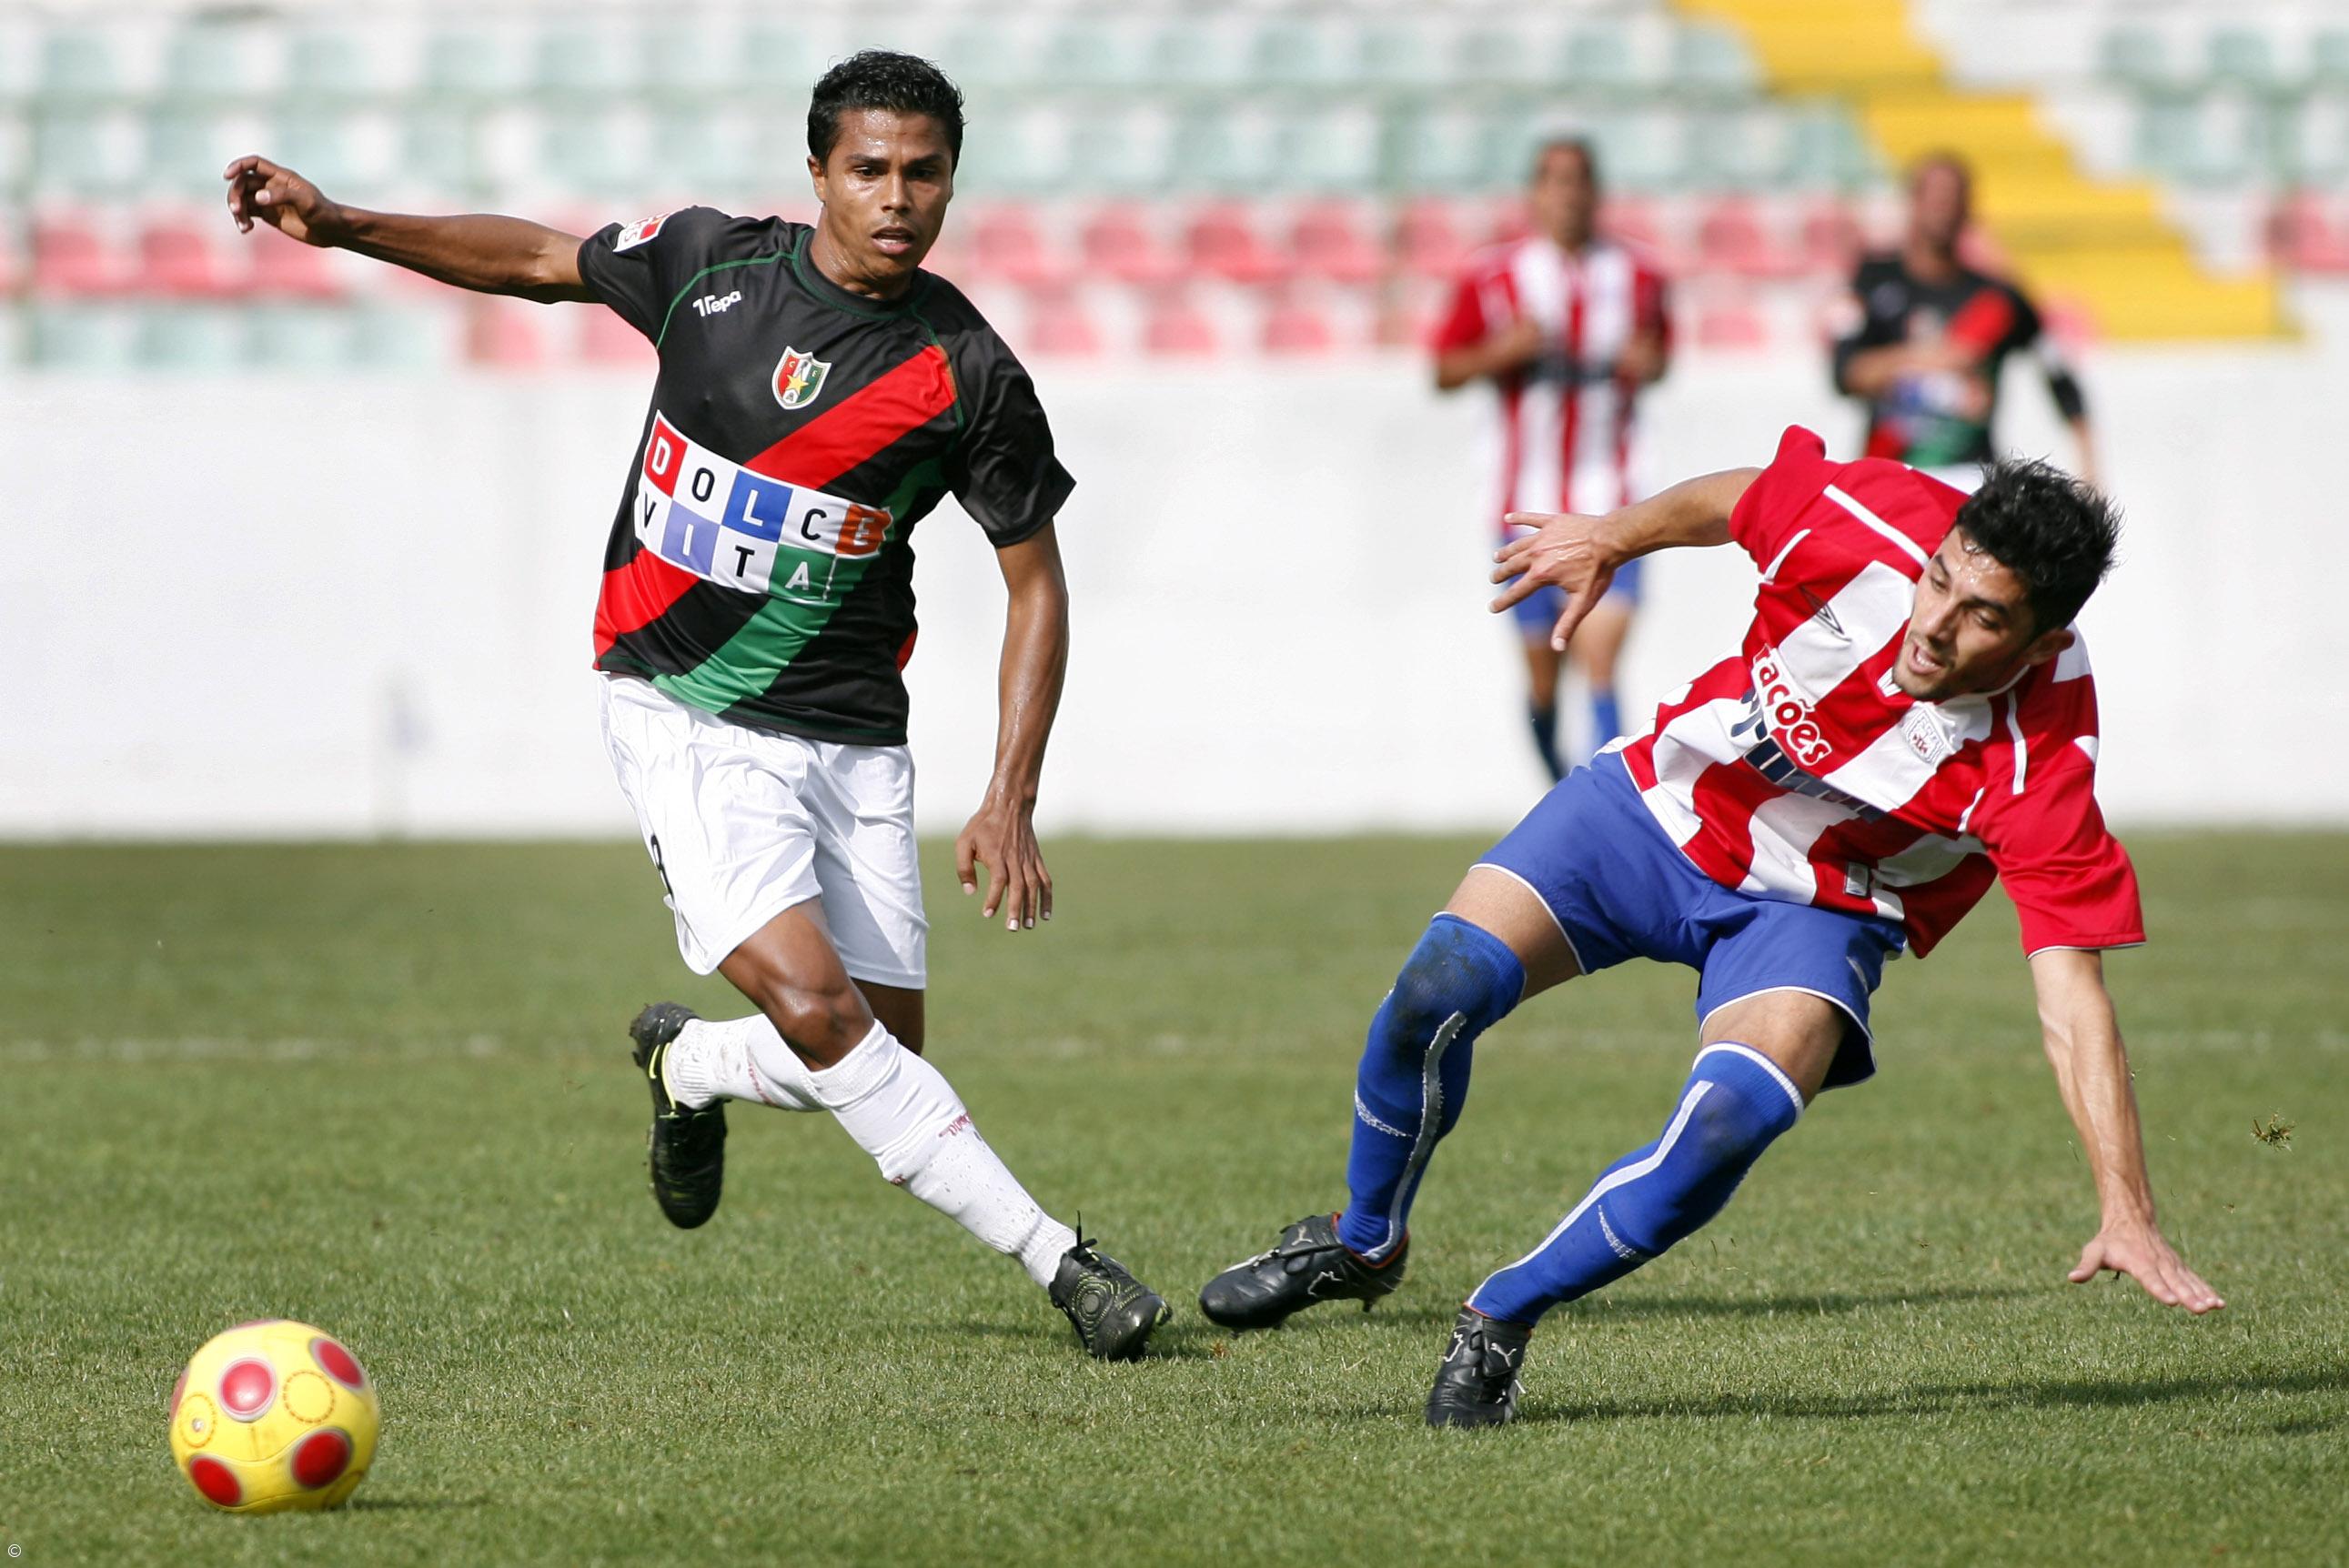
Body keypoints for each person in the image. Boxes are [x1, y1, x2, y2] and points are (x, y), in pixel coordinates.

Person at [223, 50, 1168, 1361]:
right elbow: (537, 259)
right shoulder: (710, 268)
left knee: (873, 1050)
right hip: (680, 707)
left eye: (924, 172)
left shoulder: (966, 371)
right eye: (869, 169)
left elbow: (1035, 583)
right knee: (827, 1020)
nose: (897, 198)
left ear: (952, 181)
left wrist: (1009, 793)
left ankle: (692, 1066)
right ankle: (1059, 1258)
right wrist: (341, 224)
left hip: (852, 733)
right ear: (817, 173)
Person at [1199, 425, 2223, 1426]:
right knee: (1437, 986)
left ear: (2042, 642)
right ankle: (1362, 1242)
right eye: (1938, 578)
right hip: (1659, 804)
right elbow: (1740, 498)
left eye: (1982, 616)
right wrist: (1611, 535)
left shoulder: (2040, 762)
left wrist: (2125, 1206)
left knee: (1733, 1118)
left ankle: (1501, 1313)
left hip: (1818, 907)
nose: (1934, 623)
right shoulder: (1871, 515)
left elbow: (2072, 1000)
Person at [1432, 136, 1671, 780]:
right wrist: (1500, 352)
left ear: (1596, 191)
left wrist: (1647, 362)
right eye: (1554, 180)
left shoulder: (1640, 275)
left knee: (1601, 655)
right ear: (1535, 194)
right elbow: (1443, 370)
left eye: (1578, 180)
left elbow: (1660, 358)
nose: (1568, 194)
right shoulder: (1493, 276)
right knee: (1545, 674)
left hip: (1614, 495)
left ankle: (1604, 798)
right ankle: (1558, 783)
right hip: (1524, 502)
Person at [1832, 152, 2094, 490]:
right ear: (1913, 200)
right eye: (1934, 196)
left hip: (1970, 476)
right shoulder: (1872, 280)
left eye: (1953, 198)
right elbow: (1845, 374)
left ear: (1969, 208)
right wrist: (1933, 359)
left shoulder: (1996, 298)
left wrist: (2088, 463)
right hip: (1889, 473)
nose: (1943, 208)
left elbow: (2056, 372)